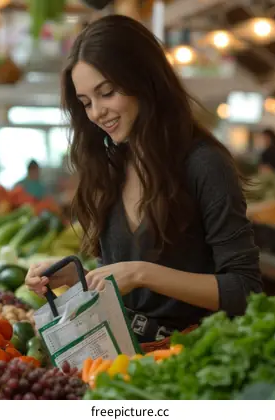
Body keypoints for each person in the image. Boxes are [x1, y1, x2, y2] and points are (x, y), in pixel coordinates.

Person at [25, 15, 262, 343]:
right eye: (86, 103)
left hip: (192, 357)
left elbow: (245, 289)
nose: (96, 113)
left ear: (143, 79)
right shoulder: (111, 168)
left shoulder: (205, 164)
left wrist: (142, 274)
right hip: (124, 357)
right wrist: (76, 274)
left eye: (106, 93)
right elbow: (120, 277)